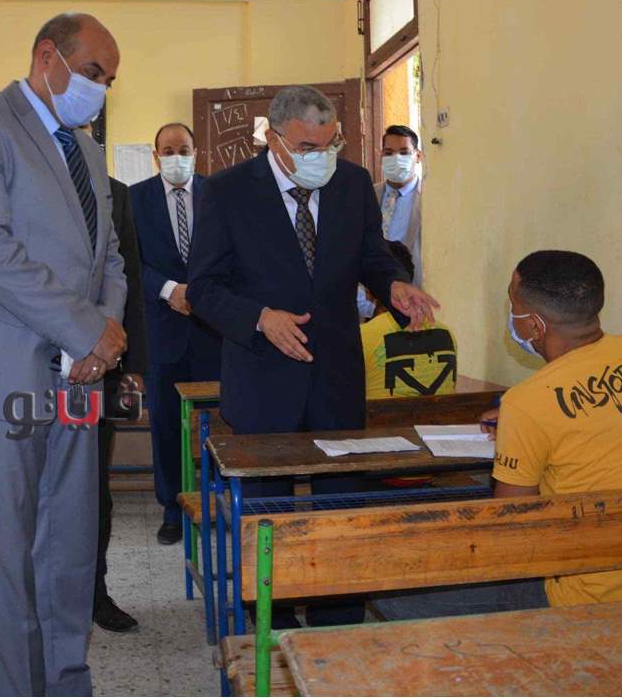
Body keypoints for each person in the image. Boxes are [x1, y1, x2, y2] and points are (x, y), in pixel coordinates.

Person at [0, 12, 127, 695]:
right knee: (8, 557)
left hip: (78, 378)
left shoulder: (87, 152)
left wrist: (103, 336)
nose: (100, 89)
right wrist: (86, 329)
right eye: (92, 73)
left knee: (69, 548)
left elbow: (110, 258)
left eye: (109, 80)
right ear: (47, 57)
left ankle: (68, 683)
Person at [187, 85, 439, 627]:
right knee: (267, 515)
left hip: (336, 377)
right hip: (262, 378)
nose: (320, 157)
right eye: (306, 147)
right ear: (273, 139)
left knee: (339, 510)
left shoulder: (351, 183)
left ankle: (338, 625)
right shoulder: (227, 192)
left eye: (330, 145)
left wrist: (394, 285)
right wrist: (260, 317)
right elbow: (203, 288)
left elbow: (372, 255)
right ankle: (273, 625)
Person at [486, 250, 622, 605]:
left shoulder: (526, 403)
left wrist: (519, 430)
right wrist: (521, 433)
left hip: (584, 602)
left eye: (512, 303)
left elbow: (512, 533)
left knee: (408, 599)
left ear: (534, 326)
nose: (511, 314)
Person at [128, 123, 221, 546]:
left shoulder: (217, 194)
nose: (176, 157)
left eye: (183, 149)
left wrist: (200, 293)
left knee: (217, 423)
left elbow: (231, 254)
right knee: (166, 425)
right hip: (161, 334)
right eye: (167, 151)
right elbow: (129, 261)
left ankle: (215, 502)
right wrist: (170, 290)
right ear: (156, 156)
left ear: (196, 152)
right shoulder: (135, 199)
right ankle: (172, 508)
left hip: (213, 332)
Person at [93, 176, 148, 633]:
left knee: (94, 491)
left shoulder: (115, 193)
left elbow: (129, 280)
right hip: (29, 370)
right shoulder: (16, 178)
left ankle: (95, 593)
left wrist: (135, 366)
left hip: (101, 369)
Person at [360, 240, 456, 399]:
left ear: (369, 290)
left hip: (379, 417)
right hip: (442, 416)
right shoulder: (447, 335)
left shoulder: (360, 337)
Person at [357, 124, 424, 319]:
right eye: (389, 153)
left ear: (418, 156)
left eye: (404, 152)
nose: (396, 158)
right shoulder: (366, 195)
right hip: (368, 306)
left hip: (413, 302)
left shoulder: (430, 200)